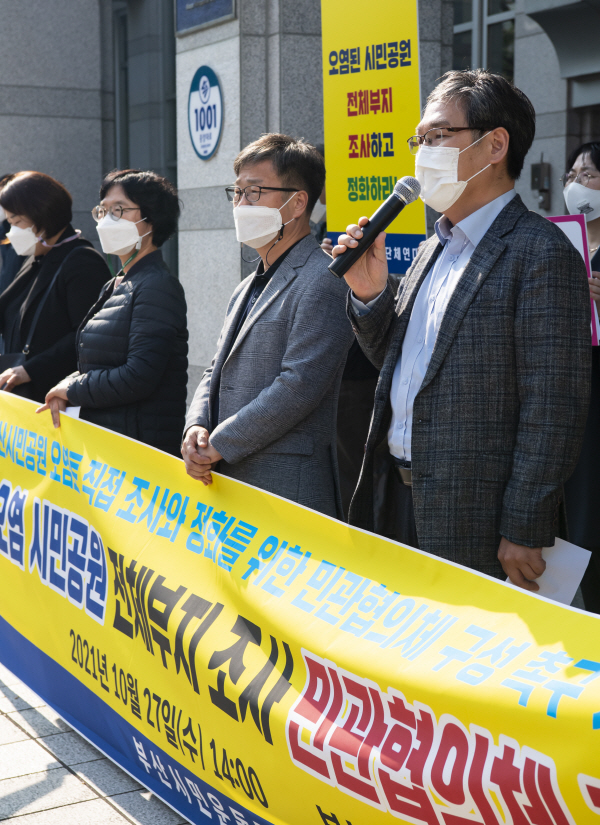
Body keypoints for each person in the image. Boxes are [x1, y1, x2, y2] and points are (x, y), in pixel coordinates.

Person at [334, 69, 591, 589]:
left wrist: (524, 524)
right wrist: (369, 293)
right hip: (395, 494)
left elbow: (553, 405)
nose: (422, 153)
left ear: (495, 145)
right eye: (419, 140)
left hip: (479, 518)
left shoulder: (540, 253)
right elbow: (399, 365)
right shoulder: (432, 248)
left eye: (438, 135)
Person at [182, 134, 353, 517]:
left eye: (255, 192)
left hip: (285, 488)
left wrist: (220, 443)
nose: (241, 204)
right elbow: (215, 369)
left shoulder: (325, 278)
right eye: (237, 193)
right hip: (230, 482)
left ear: (298, 203)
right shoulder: (246, 285)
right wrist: (195, 428)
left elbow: (298, 386)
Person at [37, 169, 188, 457]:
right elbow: (99, 363)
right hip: (109, 443)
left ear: (151, 219)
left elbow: (139, 375)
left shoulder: (157, 285)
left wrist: (73, 389)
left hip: (139, 448)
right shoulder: (116, 283)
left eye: (119, 210)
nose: (107, 220)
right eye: (103, 211)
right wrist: (70, 382)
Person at [0, 172, 110, 400]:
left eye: (17, 222)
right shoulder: (38, 256)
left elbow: (87, 336)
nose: (12, 232)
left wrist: (31, 370)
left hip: (58, 398)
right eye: (9, 223)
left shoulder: (82, 261)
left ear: (42, 216)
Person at [562, 142, 600, 613]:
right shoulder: (563, 244)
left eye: (588, 175)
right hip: (570, 392)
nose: (576, 184)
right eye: (572, 175)